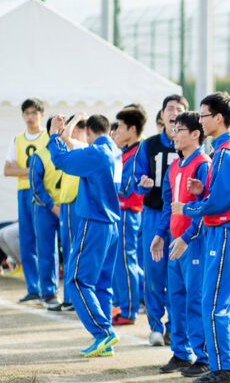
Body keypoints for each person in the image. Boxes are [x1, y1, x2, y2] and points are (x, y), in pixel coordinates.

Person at [176, 91, 230, 383]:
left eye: (204, 115)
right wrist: (201, 190)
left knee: (213, 303)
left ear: (218, 118)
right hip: (225, 231)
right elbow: (220, 193)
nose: (201, 120)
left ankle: (225, 369)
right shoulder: (224, 150)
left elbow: (222, 200)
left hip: (225, 231)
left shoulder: (226, 152)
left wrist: (190, 206)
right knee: (221, 301)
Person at [48, 114, 122, 358]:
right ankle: (105, 339)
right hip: (111, 224)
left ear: (88, 131)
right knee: (101, 283)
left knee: (77, 280)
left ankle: (103, 332)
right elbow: (73, 148)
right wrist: (67, 130)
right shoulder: (112, 151)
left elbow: (61, 160)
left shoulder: (95, 153)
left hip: (95, 222)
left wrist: (53, 136)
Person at [158, 111, 211, 377]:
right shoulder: (174, 166)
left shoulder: (203, 164)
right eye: (173, 129)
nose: (174, 134)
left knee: (195, 299)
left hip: (193, 243)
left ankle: (202, 356)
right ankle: (181, 352)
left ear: (195, 134)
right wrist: (160, 233)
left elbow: (205, 208)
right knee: (175, 298)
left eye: (179, 129)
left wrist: (187, 236)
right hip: (174, 242)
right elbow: (168, 204)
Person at [131, 94, 187, 346]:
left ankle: (174, 327)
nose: (174, 112)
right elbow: (137, 178)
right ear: (162, 115)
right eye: (170, 109)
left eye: (179, 109)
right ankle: (155, 325)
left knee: (178, 275)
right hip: (154, 213)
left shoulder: (190, 145)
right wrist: (143, 184)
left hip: (181, 215)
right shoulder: (150, 145)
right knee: (154, 272)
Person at [4, 98, 48, 303]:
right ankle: (33, 287)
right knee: (27, 240)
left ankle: (48, 289)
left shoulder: (48, 137)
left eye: (34, 113)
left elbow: (50, 167)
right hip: (24, 192)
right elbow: (7, 170)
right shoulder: (18, 139)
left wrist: (21, 170)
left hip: (43, 191)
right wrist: (29, 171)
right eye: (26, 113)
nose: (30, 117)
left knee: (46, 241)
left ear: (42, 115)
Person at [111, 107, 146, 324]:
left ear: (132, 129)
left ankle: (129, 310)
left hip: (128, 211)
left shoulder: (137, 153)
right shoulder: (125, 151)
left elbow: (126, 187)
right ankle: (124, 304)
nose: (117, 131)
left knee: (126, 261)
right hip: (122, 211)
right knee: (121, 261)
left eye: (121, 127)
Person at [28, 116, 63, 309]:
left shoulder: (70, 152)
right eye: (58, 128)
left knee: (70, 250)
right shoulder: (40, 155)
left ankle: (69, 296)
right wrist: (52, 206)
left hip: (66, 208)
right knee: (47, 251)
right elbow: (36, 187)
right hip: (45, 209)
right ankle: (49, 293)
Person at [56, 114, 87, 311]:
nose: (74, 132)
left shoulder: (83, 149)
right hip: (68, 203)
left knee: (73, 252)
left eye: (80, 128)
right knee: (70, 252)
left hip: (75, 204)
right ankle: (70, 298)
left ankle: (71, 299)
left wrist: (76, 119)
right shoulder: (74, 150)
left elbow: (65, 136)